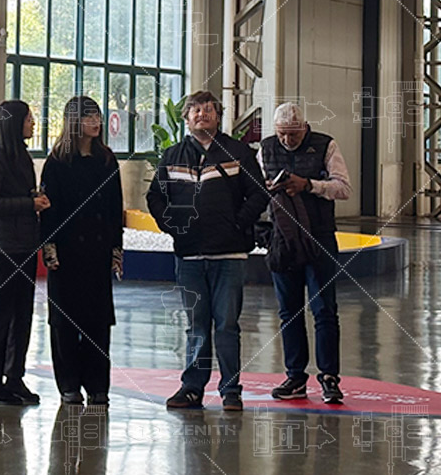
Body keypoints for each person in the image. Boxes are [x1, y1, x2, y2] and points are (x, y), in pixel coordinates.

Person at [146, 90, 267, 411]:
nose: (202, 114)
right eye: (195, 110)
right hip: (189, 256)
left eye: (209, 109)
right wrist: (174, 226)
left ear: (218, 116)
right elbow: (155, 198)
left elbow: (259, 194)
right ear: (186, 118)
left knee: (227, 324)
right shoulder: (171, 156)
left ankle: (231, 391)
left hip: (230, 255)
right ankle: (192, 389)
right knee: (196, 325)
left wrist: (237, 224)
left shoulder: (239, 152)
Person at [258, 102, 352, 405]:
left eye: (294, 135)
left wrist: (309, 185)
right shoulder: (265, 148)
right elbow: (256, 191)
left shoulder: (326, 145)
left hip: (320, 237)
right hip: (283, 238)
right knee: (289, 311)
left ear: (305, 127)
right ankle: (295, 376)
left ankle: (329, 377)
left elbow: (344, 188)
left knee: (324, 309)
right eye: (282, 134)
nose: (287, 141)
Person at [39, 96, 123, 408]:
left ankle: (98, 386)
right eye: (89, 118)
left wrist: (116, 248)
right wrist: (50, 249)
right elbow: (48, 211)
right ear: (74, 121)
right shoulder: (57, 162)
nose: (96, 123)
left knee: (98, 321)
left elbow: (116, 208)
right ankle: (69, 385)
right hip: (66, 252)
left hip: (98, 252)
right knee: (64, 321)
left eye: (98, 117)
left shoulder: (106, 160)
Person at [0, 99, 48, 406]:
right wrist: (29, 204)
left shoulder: (22, 156)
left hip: (24, 246)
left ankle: (15, 378)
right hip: (1, 248)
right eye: (29, 119)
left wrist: (35, 200)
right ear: (13, 122)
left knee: (22, 315)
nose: (33, 124)